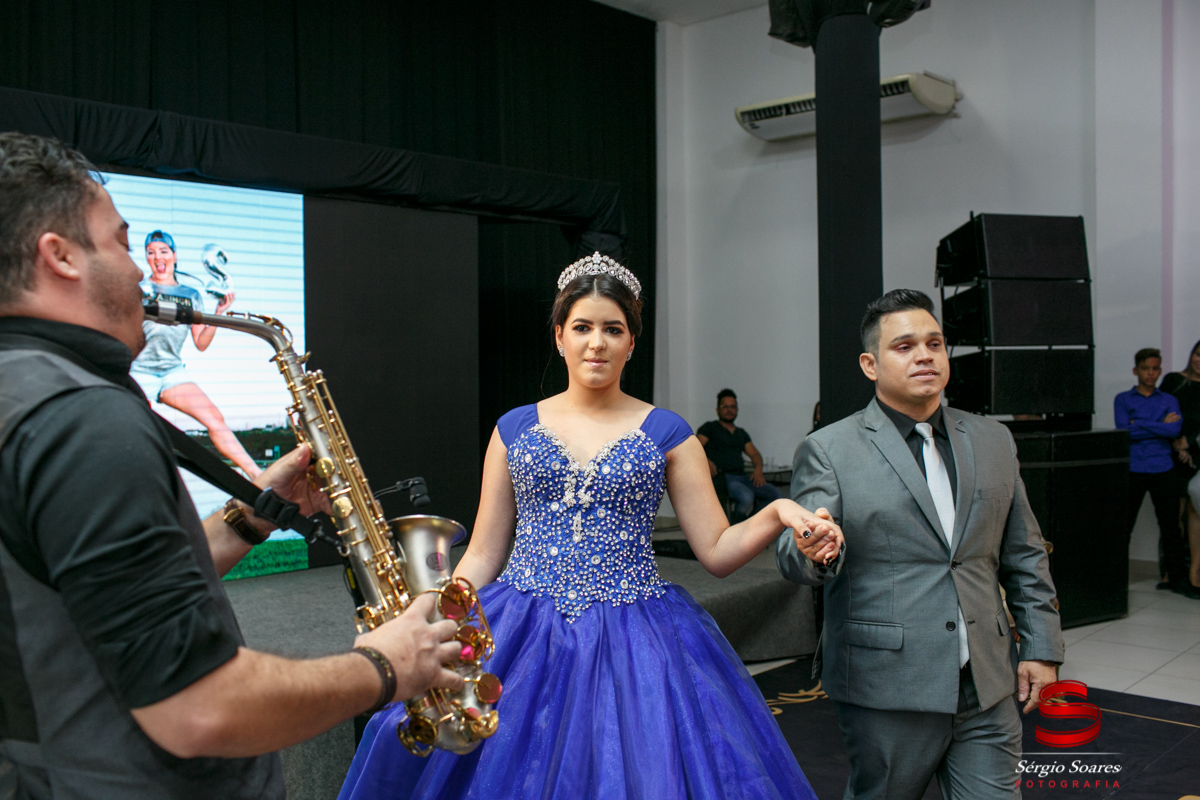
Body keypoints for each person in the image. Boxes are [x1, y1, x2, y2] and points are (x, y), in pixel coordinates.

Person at [0, 132, 464, 799]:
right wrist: (385, 666)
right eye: (122, 244)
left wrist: (250, 515)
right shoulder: (84, 420)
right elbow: (200, 706)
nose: (139, 274)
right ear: (60, 256)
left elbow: (101, 594)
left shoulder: (26, 393)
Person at [339, 252, 843, 799]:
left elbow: (717, 551)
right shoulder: (513, 428)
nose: (596, 343)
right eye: (582, 327)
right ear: (559, 337)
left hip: (637, 634)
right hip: (522, 631)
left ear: (631, 342)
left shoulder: (668, 431)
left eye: (613, 329)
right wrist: (427, 614)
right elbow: (483, 553)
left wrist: (778, 512)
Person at [777, 289, 1064, 800]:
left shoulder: (992, 440)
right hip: (888, 687)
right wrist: (812, 548)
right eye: (905, 346)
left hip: (988, 681)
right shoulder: (829, 448)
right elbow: (795, 550)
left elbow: (1024, 552)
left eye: (934, 344)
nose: (925, 356)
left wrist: (1041, 647)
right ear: (870, 364)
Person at [134, 228, 263, 477]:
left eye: (163, 251)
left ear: (174, 255)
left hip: (172, 372)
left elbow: (201, 343)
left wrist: (219, 312)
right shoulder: (140, 289)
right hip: (140, 372)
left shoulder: (190, 295)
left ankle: (258, 477)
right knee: (135, 428)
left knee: (215, 419)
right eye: (151, 252)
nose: (157, 257)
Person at [1114, 348, 1194, 597]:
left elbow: (1174, 430)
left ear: (1160, 370)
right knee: (1124, 526)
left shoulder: (1168, 399)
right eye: (1146, 369)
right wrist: (1159, 425)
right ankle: (1115, 581)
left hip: (1163, 468)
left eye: (1155, 368)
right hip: (1134, 468)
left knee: (1171, 527)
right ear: (1136, 370)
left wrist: (1139, 423)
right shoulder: (1123, 399)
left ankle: (1177, 579)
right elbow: (1123, 431)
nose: (1151, 373)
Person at [697, 388, 782, 521]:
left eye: (733, 407)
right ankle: (737, 529)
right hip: (723, 478)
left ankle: (752, 525)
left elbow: (754, 454)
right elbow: (694, 447)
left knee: (775, 495)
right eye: (725, 407)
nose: (729, 410)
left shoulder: (740, 433)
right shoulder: (709, 428)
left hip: (743, 477)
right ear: (717, 410)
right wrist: (706, 460)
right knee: (746, 497)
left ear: (737, 410)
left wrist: (758, 468)